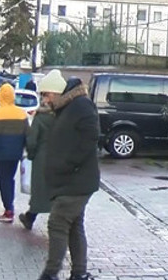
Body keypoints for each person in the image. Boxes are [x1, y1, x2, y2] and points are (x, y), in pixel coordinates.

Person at [36, 69, 100, 280]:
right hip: (70, 179)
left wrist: (68, 164)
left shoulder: (81, 105)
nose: (45, 99)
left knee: (58, 222)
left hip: (77, 180)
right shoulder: (65, 107)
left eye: (46, 94)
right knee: (73, 225)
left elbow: (90, 138)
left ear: (56, 91)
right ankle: (79, 273)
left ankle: (50, 273)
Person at [0, 83, 29, 222]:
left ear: (1, 96)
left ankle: (8, 210)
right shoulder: (21, 113)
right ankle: (10, 206)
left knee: (3, 180)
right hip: (16, 154)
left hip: (1, 154)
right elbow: (28, 135)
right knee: (10, 179)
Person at [19, 96, 55, 230]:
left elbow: (32, 140)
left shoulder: (40, 117)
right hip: (57, 157)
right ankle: (53, 219)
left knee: (39, 189)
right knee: (53, 190)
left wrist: (31, 155)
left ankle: (30, 217)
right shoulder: (60, 117)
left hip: (41, 158)